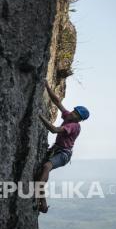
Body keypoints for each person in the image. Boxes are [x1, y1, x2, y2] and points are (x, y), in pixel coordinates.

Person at [37, 81, 90, 213]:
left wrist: (39, 116)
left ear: (79, 119)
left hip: (63, 154)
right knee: (41, 170)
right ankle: (43, 204)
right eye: (74, 111)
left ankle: (38, 194)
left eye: (76, 114)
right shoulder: (69, 116)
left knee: (46, 167)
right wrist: (47, 87)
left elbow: (54, 130)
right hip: (57, 149)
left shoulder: (74, 126)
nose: (72, 113)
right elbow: (57, 102)